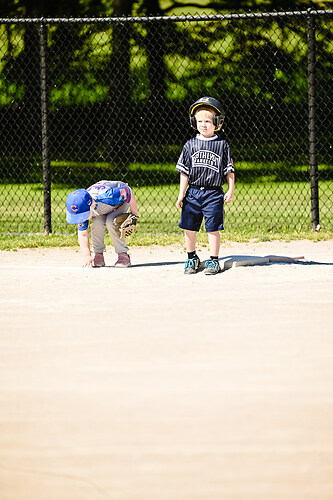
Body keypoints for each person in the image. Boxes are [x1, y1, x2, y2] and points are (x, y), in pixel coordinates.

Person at [176, 96, 235, 275]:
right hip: (193, 192)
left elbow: (229, 171)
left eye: (208, 121)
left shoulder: (222, 145)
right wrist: (181, 193)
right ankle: (191, 257)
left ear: (217, 122)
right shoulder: (189, 145)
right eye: (199, 121)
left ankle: (214, 260)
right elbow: (184, 172)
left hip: (214, 193)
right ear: (194, 122)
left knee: (213, 228)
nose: (203, 124)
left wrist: (230, 190)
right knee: (189, 227)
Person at [66, 180, 138, 268]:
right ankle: (98, 254)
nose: (81, 218)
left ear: (90, 205)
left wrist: (134, 215)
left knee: (111, 222)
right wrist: (87, 255)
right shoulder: (84, 206)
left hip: (120, 203)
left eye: (82, 215)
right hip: (100, 207)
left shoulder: (108, 196)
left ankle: (123, 255)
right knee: (96, 223)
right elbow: (83, 234)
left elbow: (128, 192)